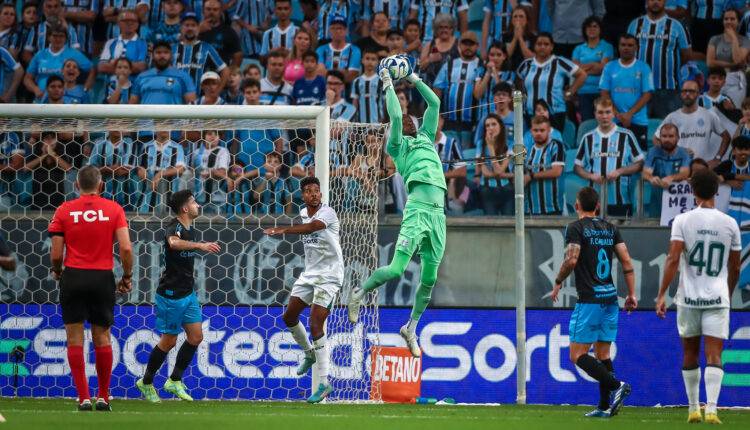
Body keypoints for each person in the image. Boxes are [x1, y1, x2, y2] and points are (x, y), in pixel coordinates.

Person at [348, 56, 446, 358]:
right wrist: (388, 82)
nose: (407, 118)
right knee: (396, 268)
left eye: (409, 117)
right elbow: (393, 113)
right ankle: (359, 293)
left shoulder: (427, 137)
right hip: (416, 209)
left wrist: (413, 77)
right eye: (402, 119)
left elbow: (435, 105)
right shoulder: (398, 147)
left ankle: (411, 328)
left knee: (430, 278)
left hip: (439, 213)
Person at [656, 169, 740, 425]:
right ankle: (712, 409)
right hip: (717, 298)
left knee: (690, 354)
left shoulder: (683, 221)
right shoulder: (729, 223)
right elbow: (735, 267)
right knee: (714, 354)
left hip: (689, 299)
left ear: (692, 192)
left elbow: (672, 258)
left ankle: (693, 408)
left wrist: (661, 294)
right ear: (717, 191)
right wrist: (727, 292)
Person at [48, 165, 133, 411]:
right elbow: (126, 248)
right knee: (102, 337)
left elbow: (56, 253)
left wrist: (58, 271)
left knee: (74, 337)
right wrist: (126, 275)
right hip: (101, 278)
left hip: (73, 276)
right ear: (101, 185)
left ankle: (83, 397)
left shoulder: (64, 210)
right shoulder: (114, 209)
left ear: (76, 185)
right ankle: (104, 397)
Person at [550, 186, 636, 418]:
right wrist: (632, 294)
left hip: (590, 299)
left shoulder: (575, 228)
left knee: (576, 355)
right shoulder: (610, 228)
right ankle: (604, 406)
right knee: (603, 354)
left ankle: (617, 386)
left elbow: (572, 260)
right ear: (597, 206)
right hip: (610, 298)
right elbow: (627, 262)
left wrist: (558, 281)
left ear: (577, 206)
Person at [136, 190, 221, 403]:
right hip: (171, 295)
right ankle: (145, 382)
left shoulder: (189, 229)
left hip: (188, 293)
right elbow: (173, 243)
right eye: (193, 202)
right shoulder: (174, 228)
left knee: (196, 337)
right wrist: (200, 246)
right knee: (169, 341)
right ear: (185, 208)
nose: (197, 205)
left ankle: (174, 380)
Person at [264, 176, 342, 403]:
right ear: (303, 195)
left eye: (316, 190)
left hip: (329, 275)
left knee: (316, 322)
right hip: (310, 274)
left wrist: (282, 230)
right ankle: (308, 353)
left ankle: (325, 383)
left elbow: (312, 228)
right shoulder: (302, 211)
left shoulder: (328, 213)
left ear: (321, 194)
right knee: (288, 316)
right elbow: (308, 228)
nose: (313, 194)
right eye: (308, 191)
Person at [575, 97, 644, 217]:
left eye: (608, 112)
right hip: (593, 202)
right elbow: (577, 167)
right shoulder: (588, 138)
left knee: (620, 235)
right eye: (600, 112)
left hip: (621, 199)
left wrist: (620, 171)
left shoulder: (626, 136)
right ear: (595, 114)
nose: (604, 116)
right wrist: (590, 175)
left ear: (614, 114)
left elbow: (639, 163)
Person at [628, 0, 692, 119]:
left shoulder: (678, 26)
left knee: (669, 130)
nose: (656, 2)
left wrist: (669, 67)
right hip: (639, 88)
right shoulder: (634, 25)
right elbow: (627, 53)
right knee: (640, 129)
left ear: (665, 2)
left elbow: (687, 55)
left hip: (669, 89)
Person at [516, 32, 587, 132]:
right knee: (532, 144)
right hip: (531, 113)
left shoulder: (559, 62)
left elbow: (582, 75)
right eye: (539, 44)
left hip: (555, 113)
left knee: (552, 144)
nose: (542, 47)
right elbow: (518, 81)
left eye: (546, 44)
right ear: (534, 46)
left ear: (552, 47)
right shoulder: (526, 64)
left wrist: (569, 92)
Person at [655, 80, 730, 167]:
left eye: (691, 91)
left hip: (702, 169)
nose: (687, 94)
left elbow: (726, 137)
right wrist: (674, 152)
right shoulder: (672, 117)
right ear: (681, 94)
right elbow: (656, 139)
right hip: (679, 167)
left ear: (698, 94)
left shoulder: (709, 115)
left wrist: (717, 158)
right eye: (684, 91)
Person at [599, 33, 654, 151]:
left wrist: (629, 114)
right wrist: (617, 114)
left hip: (638, 120)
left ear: (636, 48)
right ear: (618, 47)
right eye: (623, 45)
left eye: (630, 45)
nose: (626, 48)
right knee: (614, 156)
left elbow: (647, 95)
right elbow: (604, 93)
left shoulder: (644, 67)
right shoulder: (609, 67)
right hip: (613, 120)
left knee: (639, 156)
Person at [434, 31, 484, 150]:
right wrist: (436, 115)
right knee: (449, 154)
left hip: (471, 124)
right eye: (464, 43)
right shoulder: (449, 65)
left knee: (466, 158)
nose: (467, 47)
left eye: (471, 44)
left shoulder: (482, 65)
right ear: (459, 45)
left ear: (477, 46)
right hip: (449, 123)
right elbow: (437, 90)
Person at [23, 25, 92, 101]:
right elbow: (27, 78)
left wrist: (85, 89)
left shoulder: (74, 54)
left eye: (61, 36)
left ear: (66, 39)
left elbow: (93, 70)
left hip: (65, 101)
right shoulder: (40, 55)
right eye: (55, 36)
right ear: (49, 37)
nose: (58, 39)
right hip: (41, 100)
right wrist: (35, 89)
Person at [643, 123, 691, 214]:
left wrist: (671, 178)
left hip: (678, 201)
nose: (667, 139)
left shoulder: (684, 153)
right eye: (664, 136)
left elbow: (685, 173)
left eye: (671, 136)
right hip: (657, 200)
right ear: (660, 137)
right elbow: (645, 172)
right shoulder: (653, 151)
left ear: (678, 138)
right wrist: (651, 178)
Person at [571, 16, 613, 121]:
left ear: (600, 29)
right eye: (589, 27)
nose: (592, 29)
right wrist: (594, 64)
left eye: (595, 26)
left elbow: (603, 68)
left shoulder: (607, 47)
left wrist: (583, 69)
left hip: (601, 91)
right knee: (586, 122)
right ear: (584, 30)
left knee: (602, 121)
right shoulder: (578, 49)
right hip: (583, 92)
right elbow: (574, 70)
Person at [706, 8, 750, 107]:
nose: (729, 21)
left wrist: (734, 38)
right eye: (726, 19)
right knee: (714, 111)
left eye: (732, 19)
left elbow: (737, 59)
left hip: (736, 80)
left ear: (738, 22)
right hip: (717, 78)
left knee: (734, 111)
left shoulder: (745, 41)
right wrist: (731, 64)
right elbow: (710, 62)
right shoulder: (715, 39)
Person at [130, 40, 196, 105]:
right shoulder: (142, 77)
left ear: (171, 56)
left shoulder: (183, 77)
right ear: (152, 56)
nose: (162, 56)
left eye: (166, 52)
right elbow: (132, 104)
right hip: (146, 116)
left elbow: (191, 105)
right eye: (158, 52)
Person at [173, 12, 228, 89]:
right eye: (187, 25)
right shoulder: (173, 48)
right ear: (181, 28)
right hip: (175, 98)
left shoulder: (207, 48)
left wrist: (217, 92)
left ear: (198, 28)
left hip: (198, 99)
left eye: (193, 25)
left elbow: (225, 70)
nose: (190, 28)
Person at [524, 115, 565, 215]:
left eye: (542, 130)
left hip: (552, 208)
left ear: (549, 131)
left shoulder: (556, 146)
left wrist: (531, 176)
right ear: (531, 131)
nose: (538, 133)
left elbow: (556, 171)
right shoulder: (527, 150)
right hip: (530, 209)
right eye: (535, 130)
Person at [476, 112, 514, 215]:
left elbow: (498, 171)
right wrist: (507, 175)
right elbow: (486, 173)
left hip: (506, 189)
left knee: (508, 224)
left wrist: (491, 148)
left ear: (501, 126)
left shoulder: (510, 144)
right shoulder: (481, 144)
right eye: (487, 125)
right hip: (487, 190)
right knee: (491, 225)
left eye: (494, 124)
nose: (490, 128)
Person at [98, 10, 148, 78]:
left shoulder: (144, 43)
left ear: (137, 24)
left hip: (134, 86)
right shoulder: (110, 43)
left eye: (134, 21)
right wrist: (130, 65)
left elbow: (141, 67)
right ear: (118, 23)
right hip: (111, 86)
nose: (130, 23)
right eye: (126, 20)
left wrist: (114, 63)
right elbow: (102, 67)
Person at [316, 14, 361, 84]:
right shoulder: (321, 49)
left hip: (347, 92)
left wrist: (327, 71)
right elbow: (320, 73)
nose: (337, 31)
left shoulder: (355, 50)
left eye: (340, 28)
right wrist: (343, 71)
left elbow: (351, 75)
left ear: (346, 31)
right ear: (329, 30)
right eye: (333, 28)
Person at [199, 0, 242, 67]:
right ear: (202, 11)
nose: (211, 12)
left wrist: (230, 73)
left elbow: (238, 56)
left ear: (220, 12)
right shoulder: (194, 30)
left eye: (215, 10)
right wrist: (198, 30)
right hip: (198, 71)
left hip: (220, 73)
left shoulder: (229, 32)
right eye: (208, 9)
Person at [418, 13, 458, 85]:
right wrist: (429, 59)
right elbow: (419, 68)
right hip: (431, 85)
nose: (444, 30)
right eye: (441, 27)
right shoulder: (429, 45)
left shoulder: (458, 45)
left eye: (446, 27)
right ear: (436, 29)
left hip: (451, 85)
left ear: (452, 29)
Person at [351, 49, 382, 124]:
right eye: (367, 58)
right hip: (361, 123)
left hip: (378, 122)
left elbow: (385, 101)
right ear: (362, 60)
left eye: (373, 59)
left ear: (377, 62)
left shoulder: (381, 81)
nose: (370, 62)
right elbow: (355, 103)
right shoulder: (356, 81)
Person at [502, 6, 535, 71]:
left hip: (527, 70)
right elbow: (506, 55)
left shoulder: (533, 37)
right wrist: (515, 37)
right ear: (511, 20)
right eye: (515, 16)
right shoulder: (506, 36)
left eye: (521, 16)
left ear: (527, 20)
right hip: (510, 70)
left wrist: (520, 38)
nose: (518, 19)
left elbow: (530, 57)